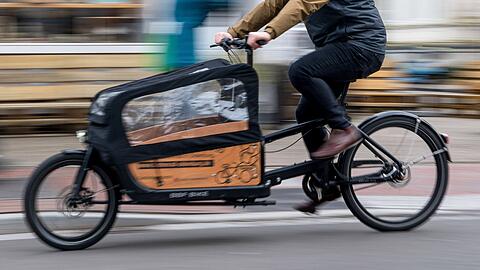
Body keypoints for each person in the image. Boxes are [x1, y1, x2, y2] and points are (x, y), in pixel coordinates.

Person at [214, 0, 386, 213]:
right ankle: (327, 181)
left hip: (360, 45)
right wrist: (234, 32)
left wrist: (269, 33)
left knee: (300, 71)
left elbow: (302, 3)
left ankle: (344, 128)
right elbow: (272, 5)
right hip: (338, 46)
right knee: (306, 113)